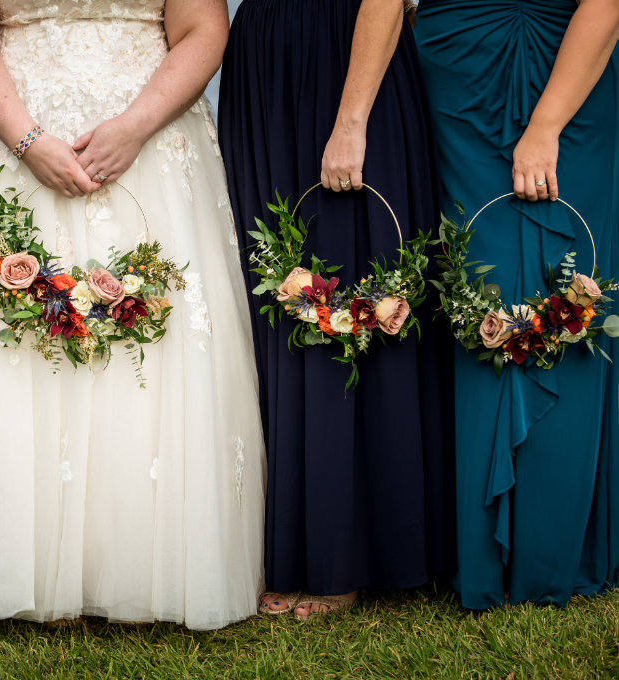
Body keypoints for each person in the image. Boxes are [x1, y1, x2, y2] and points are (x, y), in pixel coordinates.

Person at [0, 0, 265, 629]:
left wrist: (135, 126)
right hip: (11, 132)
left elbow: (203, 29)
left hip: (150, 139)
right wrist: (28, 140)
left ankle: (127, 559)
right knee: (9, 338)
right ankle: (3, 560)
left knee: (150, 344)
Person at [217, 0, 453, 619]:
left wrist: (352, 120)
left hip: (345, 60)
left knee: (350, 286)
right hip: (265, 66)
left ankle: (349, 552)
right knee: (281, 292)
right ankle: (295, 546)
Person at [415, 0, 619, 609]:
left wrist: (546, 125)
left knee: (571, 291)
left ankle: (553, 551)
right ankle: (475, 554)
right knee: (480, 303)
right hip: (459, 76)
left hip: (566, 65)